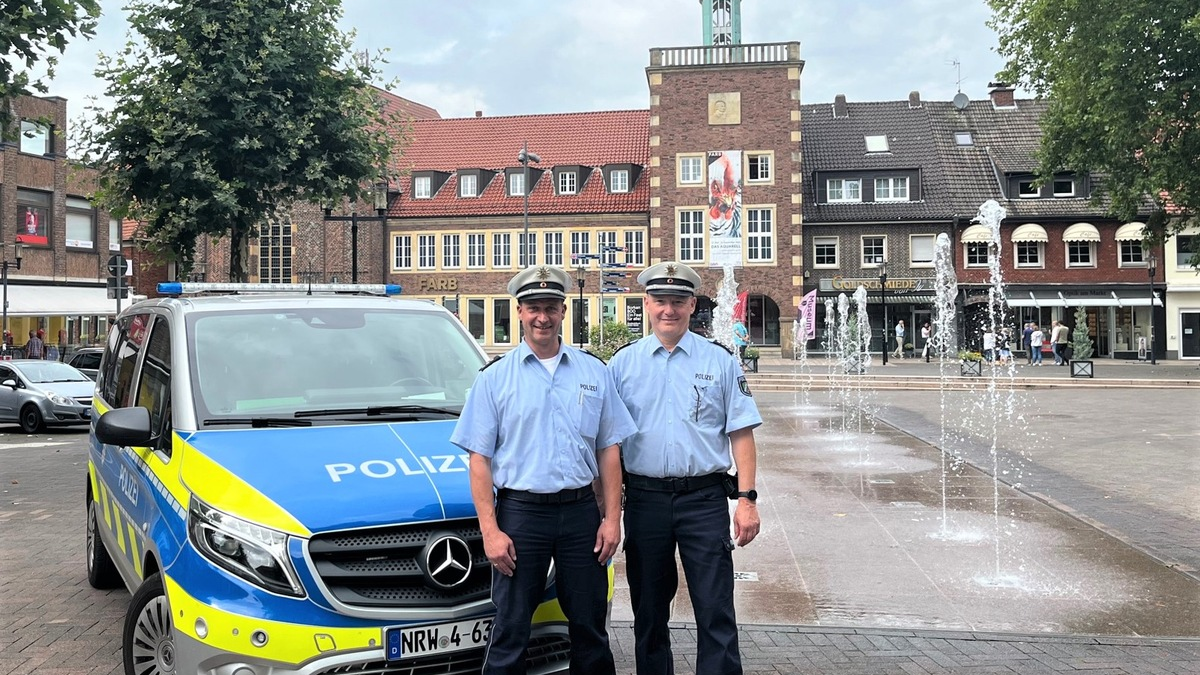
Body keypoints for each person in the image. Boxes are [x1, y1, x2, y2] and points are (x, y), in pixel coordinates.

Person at [450, 265, 636, 675]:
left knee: (589, 624)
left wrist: (612, 519)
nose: (542, 317)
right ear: (519, 311)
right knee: (512, 626)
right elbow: (479, 459)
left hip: (580, 516)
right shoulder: (494, 379)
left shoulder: (594, 373)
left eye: (551, 307)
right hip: (521, 516)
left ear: (563, 311)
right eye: (534, 307)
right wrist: (490, 531)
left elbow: (609, 449)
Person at [608, 261, 763, 675]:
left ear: (692, 304)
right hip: (645, 501)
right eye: (660, 301)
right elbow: (608, 444)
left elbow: (741, 434)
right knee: (649, 612)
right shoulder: (623, 365)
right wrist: (607, 513)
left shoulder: (720, 361)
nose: (668, 310)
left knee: (715, 609)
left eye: (678, 301)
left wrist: (747, 500)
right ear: (646, 303)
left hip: (704, 500)